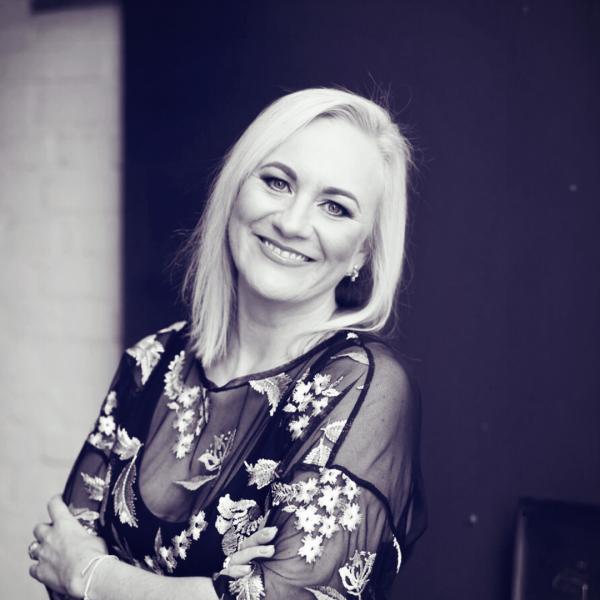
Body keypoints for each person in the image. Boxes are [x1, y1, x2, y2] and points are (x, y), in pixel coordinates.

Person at [29, 87, 426, 600]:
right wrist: (213, 588)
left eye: (334, 207)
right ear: (236, 190)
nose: (291, 222)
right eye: (277, 182)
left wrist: (95, 575)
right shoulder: (153, 360)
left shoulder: (363, 386)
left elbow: (77, 571)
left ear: (363, 253)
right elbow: (59, 558)